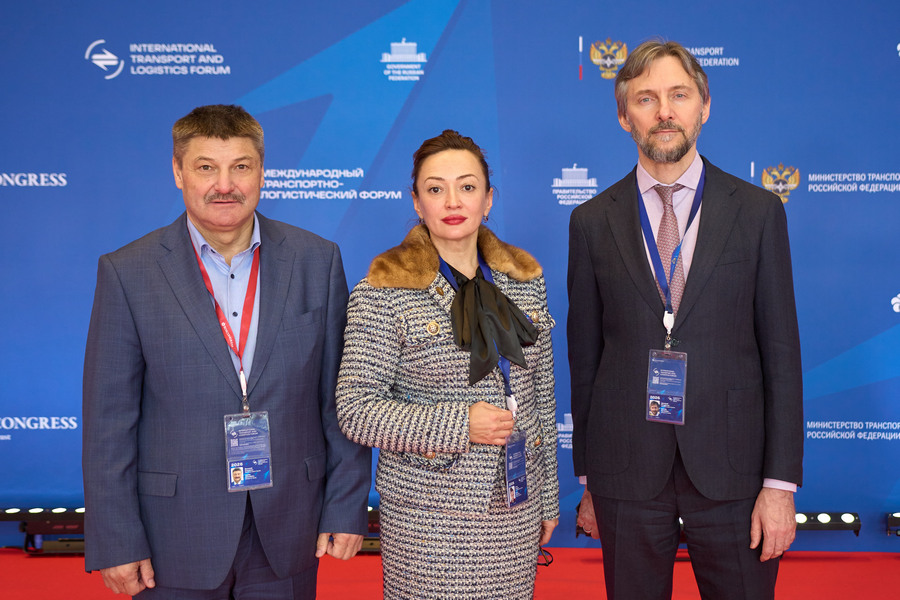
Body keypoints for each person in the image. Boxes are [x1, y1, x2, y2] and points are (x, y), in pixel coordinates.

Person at [82, 104, 371, 598]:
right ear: (178, 172)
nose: (225, 185)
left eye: (240, 166)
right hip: (173, 534)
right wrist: (116, 538)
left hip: (289, 526)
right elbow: (109, 421)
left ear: (262, 172)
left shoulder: (317, 260)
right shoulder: (127, 272)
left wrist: (346, 505)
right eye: (205, 167)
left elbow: (339, 398)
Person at [568, 40, 803, 599]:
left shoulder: (758, 212)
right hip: (626, 473)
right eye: (646, 99)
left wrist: (779, 485)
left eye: (679, 95)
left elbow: (781, 355)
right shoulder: (591, 221)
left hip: (735, 472)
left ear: (705, 106)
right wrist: (590, 480)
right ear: (624, 117)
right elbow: (585, 360)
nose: (665, 112)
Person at [336, 130, 559, 599]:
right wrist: (460, 424)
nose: (453, 201)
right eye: (435, 188)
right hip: (428, 520)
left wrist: (548, 498)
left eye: (467, 186)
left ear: (488, 199)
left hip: (515, 507)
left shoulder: (524, 281)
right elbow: (356, 410)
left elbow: (540, 394)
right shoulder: (382, 291)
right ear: (417, 202)